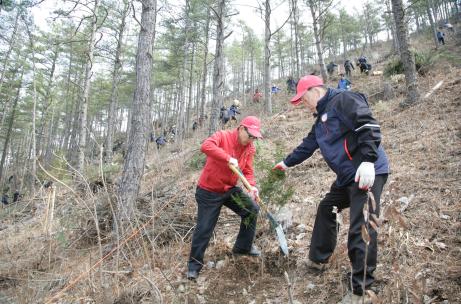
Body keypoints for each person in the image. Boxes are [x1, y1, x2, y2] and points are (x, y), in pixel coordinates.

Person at [273, 75, 389, 303]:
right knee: (327, 207)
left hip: (367, 170)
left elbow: (368, 124)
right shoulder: (320, 122)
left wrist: (367, 160)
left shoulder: (344, 100)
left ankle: (361, 290)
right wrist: (286, 163)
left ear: (314, 90)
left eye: (302, 99)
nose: (302, 104)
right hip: (347, 177)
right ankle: (318, 259)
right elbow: (307, 146)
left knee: (361, 224)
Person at [187, 116, 263, 280]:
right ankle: (194, 266)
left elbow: (248, 171)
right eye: (250, 136)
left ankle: (243, 247)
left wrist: (252, 186)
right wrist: (228, 158)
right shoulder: (223, 136)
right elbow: (206, 146)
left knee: (252, 209)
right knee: (204, 228)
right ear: (242, 128)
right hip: (208, 191)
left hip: (229, 190)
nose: (251, 140)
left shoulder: (250, 148)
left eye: (254, 138)